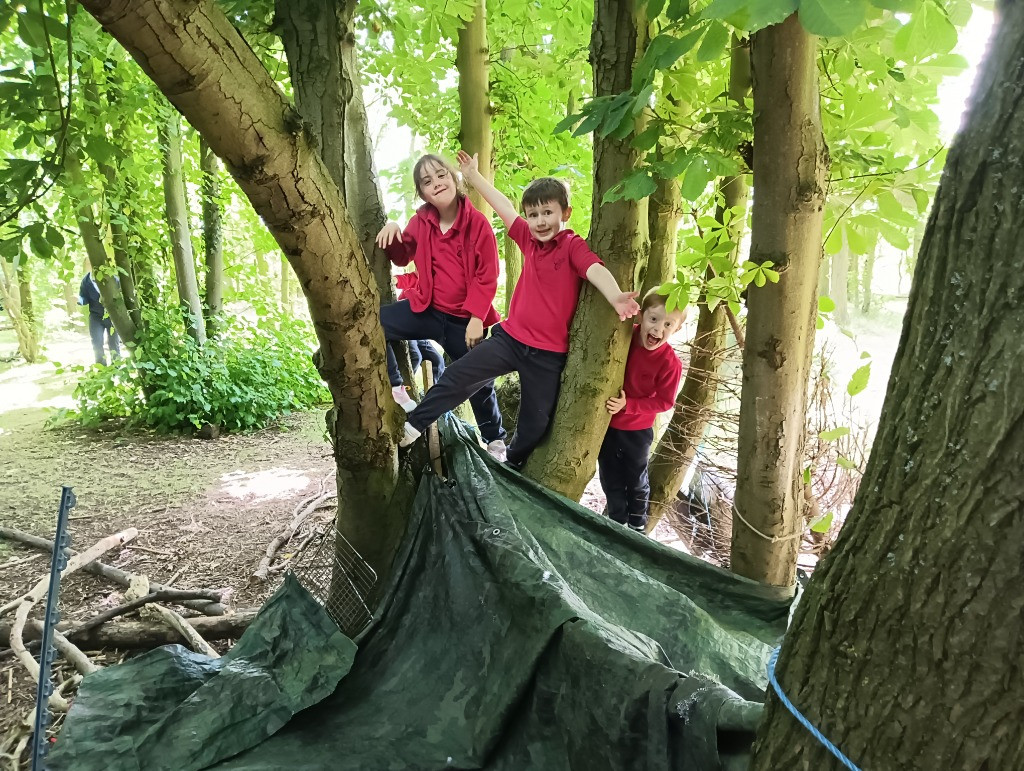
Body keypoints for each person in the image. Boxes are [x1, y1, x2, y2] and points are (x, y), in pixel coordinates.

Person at [399, 150, 641, 469]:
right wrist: (472, 176)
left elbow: (594, 269)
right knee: (459, 374)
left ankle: (511, 462)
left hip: (547, 355)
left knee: (536, 422)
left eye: (547, 213)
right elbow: (504, 208)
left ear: (564, 213)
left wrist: (616, 297)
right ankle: (415, 425)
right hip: (510, 340)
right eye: (533, 214)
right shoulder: (528, 239)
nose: (540, 221)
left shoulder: (571, 245)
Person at [375, 154, 506, 456]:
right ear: (421, 193)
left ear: (454, 178)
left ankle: (495, 438)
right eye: (427, 181)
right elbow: (402, 255)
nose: (436, 183)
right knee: (373, 322)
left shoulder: (478, 224)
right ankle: (397, 386)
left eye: (441, 175)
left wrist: (477, 317)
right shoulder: (421, 222)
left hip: (465, 320)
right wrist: (393, 229)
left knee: (478, 381)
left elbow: (488, 275)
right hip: (428, 311)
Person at [600, 290, 686, 532]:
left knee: (636, 480)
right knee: (610, 477)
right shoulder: (623, 339)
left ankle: (637, 524)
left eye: (668, 324)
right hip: (605, 426)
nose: (658, 329)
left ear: (677, 329)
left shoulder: (670, 363)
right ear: (640, 316)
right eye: (654, 319)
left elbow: (665, 402)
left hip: (637, 431)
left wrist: (629, 405)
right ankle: (617, 520)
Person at [389, 271, 445, 386]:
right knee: (415, 357)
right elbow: (413, 278)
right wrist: (396, 280)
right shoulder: (431, 276)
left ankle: (433, 397)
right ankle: (401, 390)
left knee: (438, 361)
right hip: (406, 320)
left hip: (419, 331)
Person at [78, 271, 121, 366]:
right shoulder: (86, 280)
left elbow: (120, 295)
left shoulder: (112, 278)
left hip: (112, 316)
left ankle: (117, 366)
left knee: (114, 342)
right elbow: (83, 296)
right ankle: (101, 367)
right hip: (95, 316)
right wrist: (80, 301)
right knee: (97, 342)